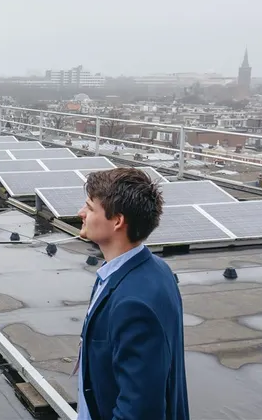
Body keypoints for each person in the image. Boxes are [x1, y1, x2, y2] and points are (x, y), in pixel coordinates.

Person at [76, 168, 189, 420]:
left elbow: (139, 408)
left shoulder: (134, 303)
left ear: (117, 221)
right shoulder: (151, 269)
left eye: (90, 208)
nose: (80, 214)